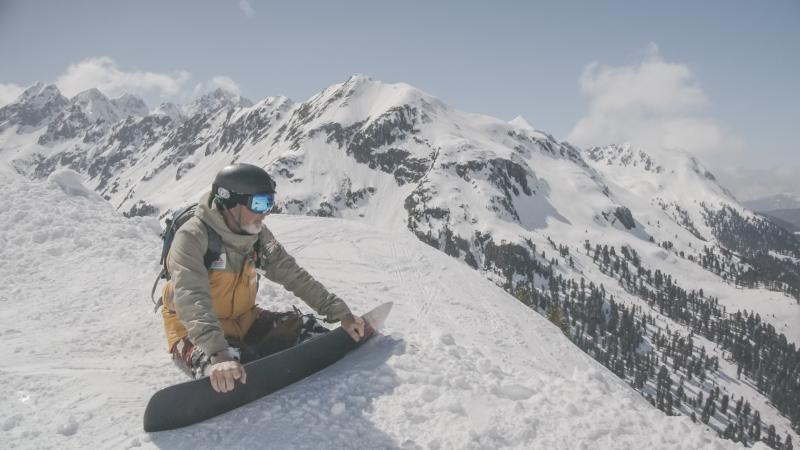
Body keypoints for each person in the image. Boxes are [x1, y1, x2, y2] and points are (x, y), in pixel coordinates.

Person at [160, 163, 366, 393]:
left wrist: (339, 312)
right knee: (217, 365)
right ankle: (217, 366)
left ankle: (241, 354)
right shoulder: (192, 237)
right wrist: (217, 352)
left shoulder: (257, 236)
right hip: (191, 328)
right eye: (259, 203)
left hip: (244, 319)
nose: (266, 212)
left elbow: (292, 273)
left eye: (269, 203)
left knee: (306, 329)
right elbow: (192, 297)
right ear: (230, 202)